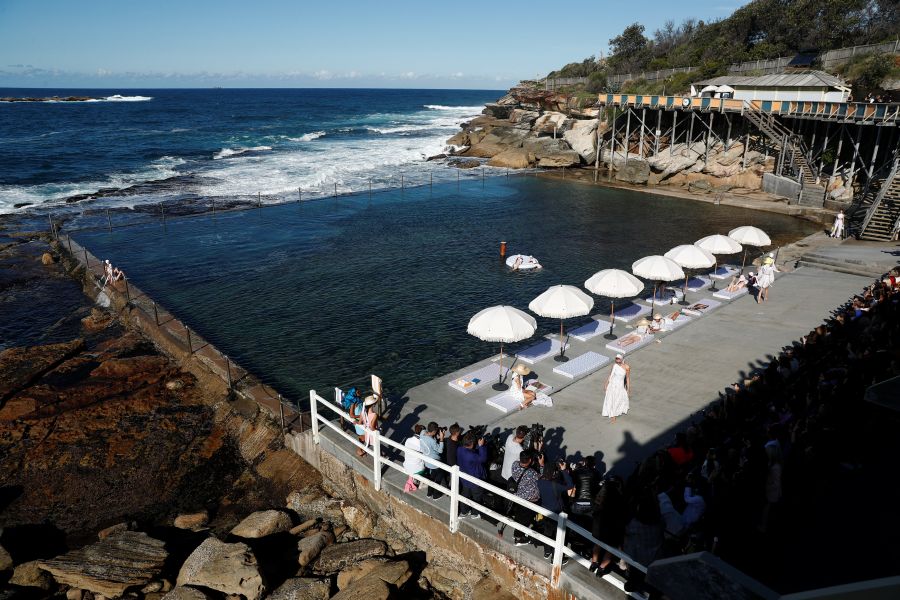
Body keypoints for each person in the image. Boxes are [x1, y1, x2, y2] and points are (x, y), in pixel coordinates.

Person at [537, 460, 574, 561]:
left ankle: (547, 552)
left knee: (547, 532)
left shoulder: (540, 481)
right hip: (557, 512)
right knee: (558, 535)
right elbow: (570, 485)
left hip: (545, 510)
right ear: (554, 472)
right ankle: (555, 558)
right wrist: (563, 470)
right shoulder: (556, 485)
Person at [590, 476, 627, 576]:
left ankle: (594, 564)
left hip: (599, 526)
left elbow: (595, 509)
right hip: (612, 528)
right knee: (610, 550)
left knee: (597, 545)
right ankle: (601, 569)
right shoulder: (620, 498)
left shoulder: (601, 496)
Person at [510, 449, 543, 546]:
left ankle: (517, 533)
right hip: (530, 499)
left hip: (518, 496)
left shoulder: (515, 465)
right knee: (525, 519)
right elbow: (541, 477)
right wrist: (541, 465)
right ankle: (519, 538)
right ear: (529, 460)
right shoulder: (532, 473)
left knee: (520, 516)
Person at [456, 431, 488, 519]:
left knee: (465, 495)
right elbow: (483, 459)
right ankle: (474, 513)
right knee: (477, 496)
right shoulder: (471, 455)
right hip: (474, 480)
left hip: (464, 478)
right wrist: (481, 446)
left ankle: (464, 511)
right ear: (472, 444)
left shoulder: (459, 449)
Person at [420, 422, 446, 499]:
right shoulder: (432, 441)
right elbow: (440, 450)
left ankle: (429, 493)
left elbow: (424, 431)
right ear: (434, 431)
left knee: (432, 477)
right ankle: (435, 495)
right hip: (435, 463)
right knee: (439, 476)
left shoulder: (422, 433)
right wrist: (441, 438)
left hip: (427, 462)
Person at [602, 354, 631, 423]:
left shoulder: (627, 367)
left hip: (620, 386)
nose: (617, 360)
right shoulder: (614, 366)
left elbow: (627, 378)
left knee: (618, 400)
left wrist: (628, 388)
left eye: (618, 359)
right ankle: (613, 416)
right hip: (612, 385)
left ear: (621, 359)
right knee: (611, 399)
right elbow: (610, 375)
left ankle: (616, 412)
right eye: (616, 359)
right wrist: (606, 383)